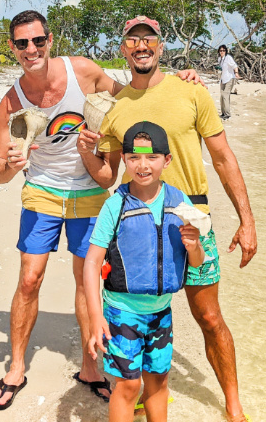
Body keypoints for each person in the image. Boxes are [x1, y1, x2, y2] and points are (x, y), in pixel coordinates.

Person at [0, 10, 203, 410]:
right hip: (42, 192)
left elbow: (133, 92)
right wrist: (10, 166)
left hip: (91, 191)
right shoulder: (11, 102)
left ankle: (91, 367)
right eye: (22, 43)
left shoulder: (83, 71)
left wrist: (177, 79)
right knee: (30, 279)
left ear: (50, 41)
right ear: (13, 48)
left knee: (86, 278)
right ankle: (16, 368)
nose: (31, 49)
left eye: (37, 41)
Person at [77, 16, 257, 422]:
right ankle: (140, 387)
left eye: (149, 40)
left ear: (161, 47)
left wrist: (246, 220)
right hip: (136, 226)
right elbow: (107, 176)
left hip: (192, 222)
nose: (141, 47)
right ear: (122, 48)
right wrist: (88, 150)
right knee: (141, 309)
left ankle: (232, 404)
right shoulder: (114, 106)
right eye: (132, 41)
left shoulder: (190, 89)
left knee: (210, 318)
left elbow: (223, 157)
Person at [83, 122, 204, 422]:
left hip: (162, 313)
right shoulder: (115, 205)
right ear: (124, 159)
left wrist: (193, 247)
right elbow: (91, 262)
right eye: (134, 157)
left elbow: (198, 263)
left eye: (151, 158)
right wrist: (96, 318)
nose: (143, 165)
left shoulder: (181, 204)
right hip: (122, 313)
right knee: (127, 386)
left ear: (167, 160)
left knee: (159, 381)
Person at [217, 45, 240, 120]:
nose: (222, 52)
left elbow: (234, 66)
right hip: (223, 80)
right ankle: (223, 113)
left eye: (223, 50)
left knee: (225, 95)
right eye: (221, 50)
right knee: (222, 97)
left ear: (226, 51)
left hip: (230, 79)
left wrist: (236, 73)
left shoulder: (228, 58)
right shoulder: (219, 59)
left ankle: (227, 114)